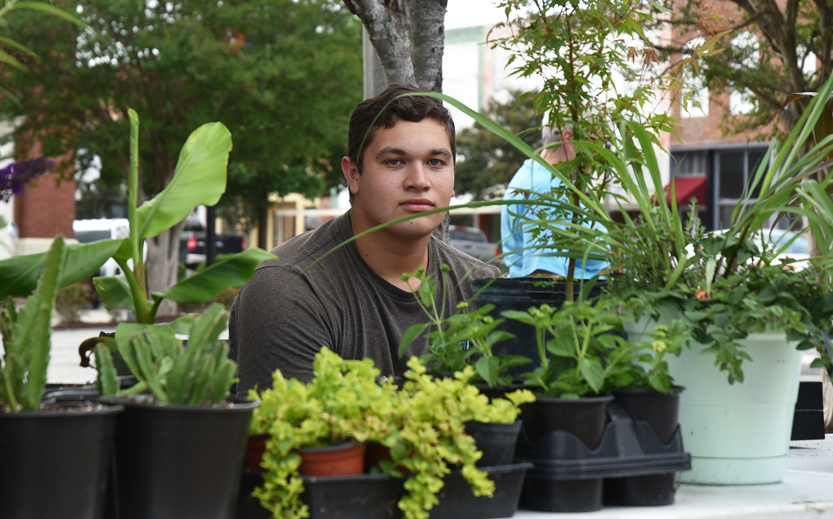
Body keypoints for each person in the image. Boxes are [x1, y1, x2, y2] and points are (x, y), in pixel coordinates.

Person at [230, 84, 499, 393]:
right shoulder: (288, 287)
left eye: (435, 162)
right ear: (353, 174)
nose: (419, 181)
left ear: (453, 179)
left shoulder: (483, 289)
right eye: (395, 161)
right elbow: (295, 422)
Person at [501, 125, 608, 278]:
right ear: (569, 139)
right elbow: (545, 280)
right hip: (578, 294)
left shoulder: (535, 175)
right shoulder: (550, 190)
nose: (601, 155)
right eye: (595, 143)